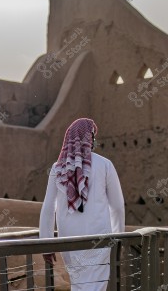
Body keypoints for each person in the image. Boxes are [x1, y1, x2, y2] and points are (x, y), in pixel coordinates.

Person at [39, 118, 125, 291]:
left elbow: (48, 208)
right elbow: (117, 206)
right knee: (95, 286)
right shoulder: (105, 165)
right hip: (99, 238)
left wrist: (45, 242)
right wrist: (119, 237)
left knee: (79, 285)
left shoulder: (58, 168)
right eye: (92, 136)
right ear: (89, 138)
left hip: (69, 240)